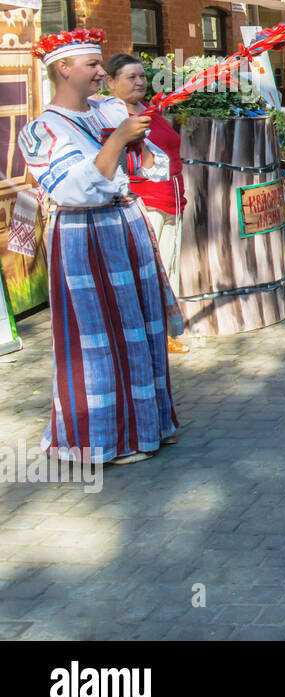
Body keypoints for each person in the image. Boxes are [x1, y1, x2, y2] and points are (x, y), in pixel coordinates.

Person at [18, 27, 182, 464]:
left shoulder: (107, 109)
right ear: (63, 69)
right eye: (91, 65)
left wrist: (139, 143)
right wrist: (117, 139)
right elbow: (74, 188)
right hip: (82, 233)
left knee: (141, 330)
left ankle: (147, 428)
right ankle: (104, 440)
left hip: (126, 223)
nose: (99, 72)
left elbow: (151, 169)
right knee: (97, 338)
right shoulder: (42, 129)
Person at [108, 53, 189, 355]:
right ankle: (146, 331)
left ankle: (164, 329)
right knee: (148, 269)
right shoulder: (112, 115)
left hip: (172, 197)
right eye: (131, 77)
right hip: (143, 202)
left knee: (168, 266)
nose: (140, 81)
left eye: (142, 76)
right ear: (111, 82)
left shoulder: (151, 109)